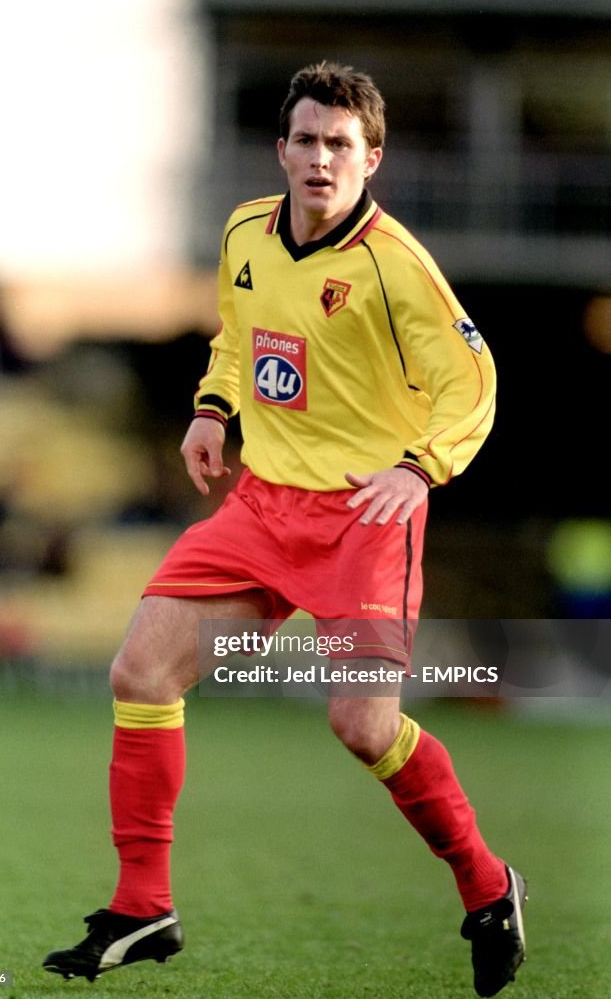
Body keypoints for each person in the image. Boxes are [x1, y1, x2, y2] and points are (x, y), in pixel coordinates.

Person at [43, 61, 527, 997]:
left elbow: (475, 386)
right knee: (140, 670)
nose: (319, 159)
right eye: (305, 140)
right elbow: (237, 329)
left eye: (339, 144)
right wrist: (212, 409)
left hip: (365, 518)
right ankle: (144, 908)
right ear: (281, 149)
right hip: (264, 506)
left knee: (360, 726)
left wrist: (414, 467)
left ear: (370, 159)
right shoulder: (244, 232)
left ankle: (485, 880)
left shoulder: (397, 268)